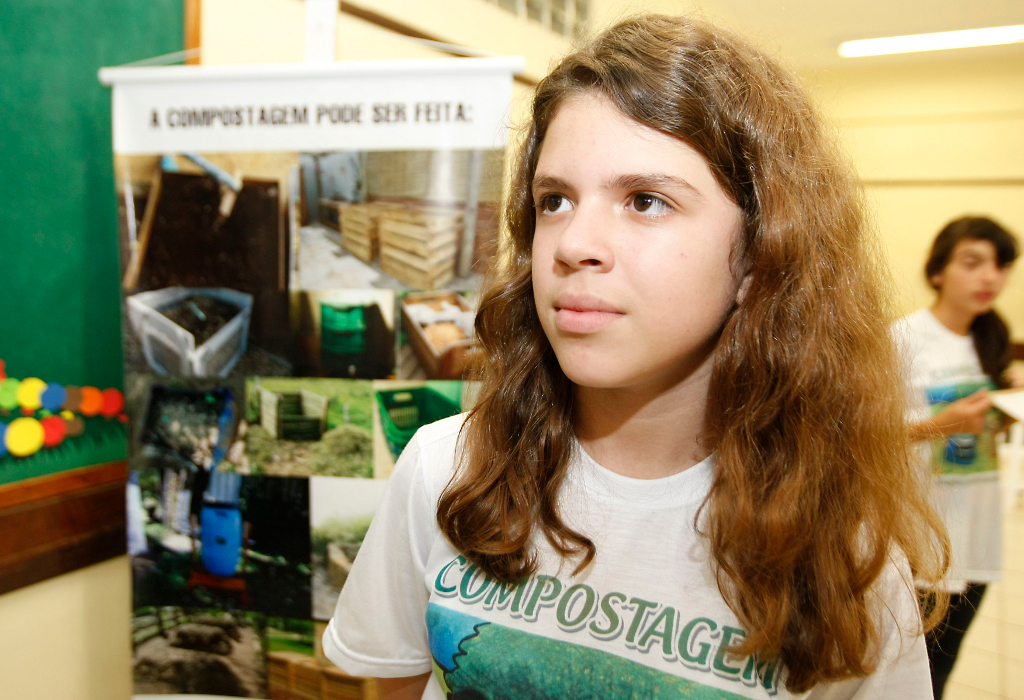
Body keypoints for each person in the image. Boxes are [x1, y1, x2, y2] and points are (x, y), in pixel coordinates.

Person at [324, 15, 949, 699]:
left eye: (645, 201)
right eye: (554, 201)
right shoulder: (446, 471)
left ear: (760, 255)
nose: (573, 244)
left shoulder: (843, 561)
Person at [895, 216, 1019, 699]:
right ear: (937, 271)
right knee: (907, 678)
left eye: (1001, 265)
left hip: (979, 535)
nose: (990, 277)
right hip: (923, 540)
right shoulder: (902, 338)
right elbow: (861, 436)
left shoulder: (991, 341)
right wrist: (939, 425)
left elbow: (980, 430)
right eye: (973, 262)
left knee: (941, 675)